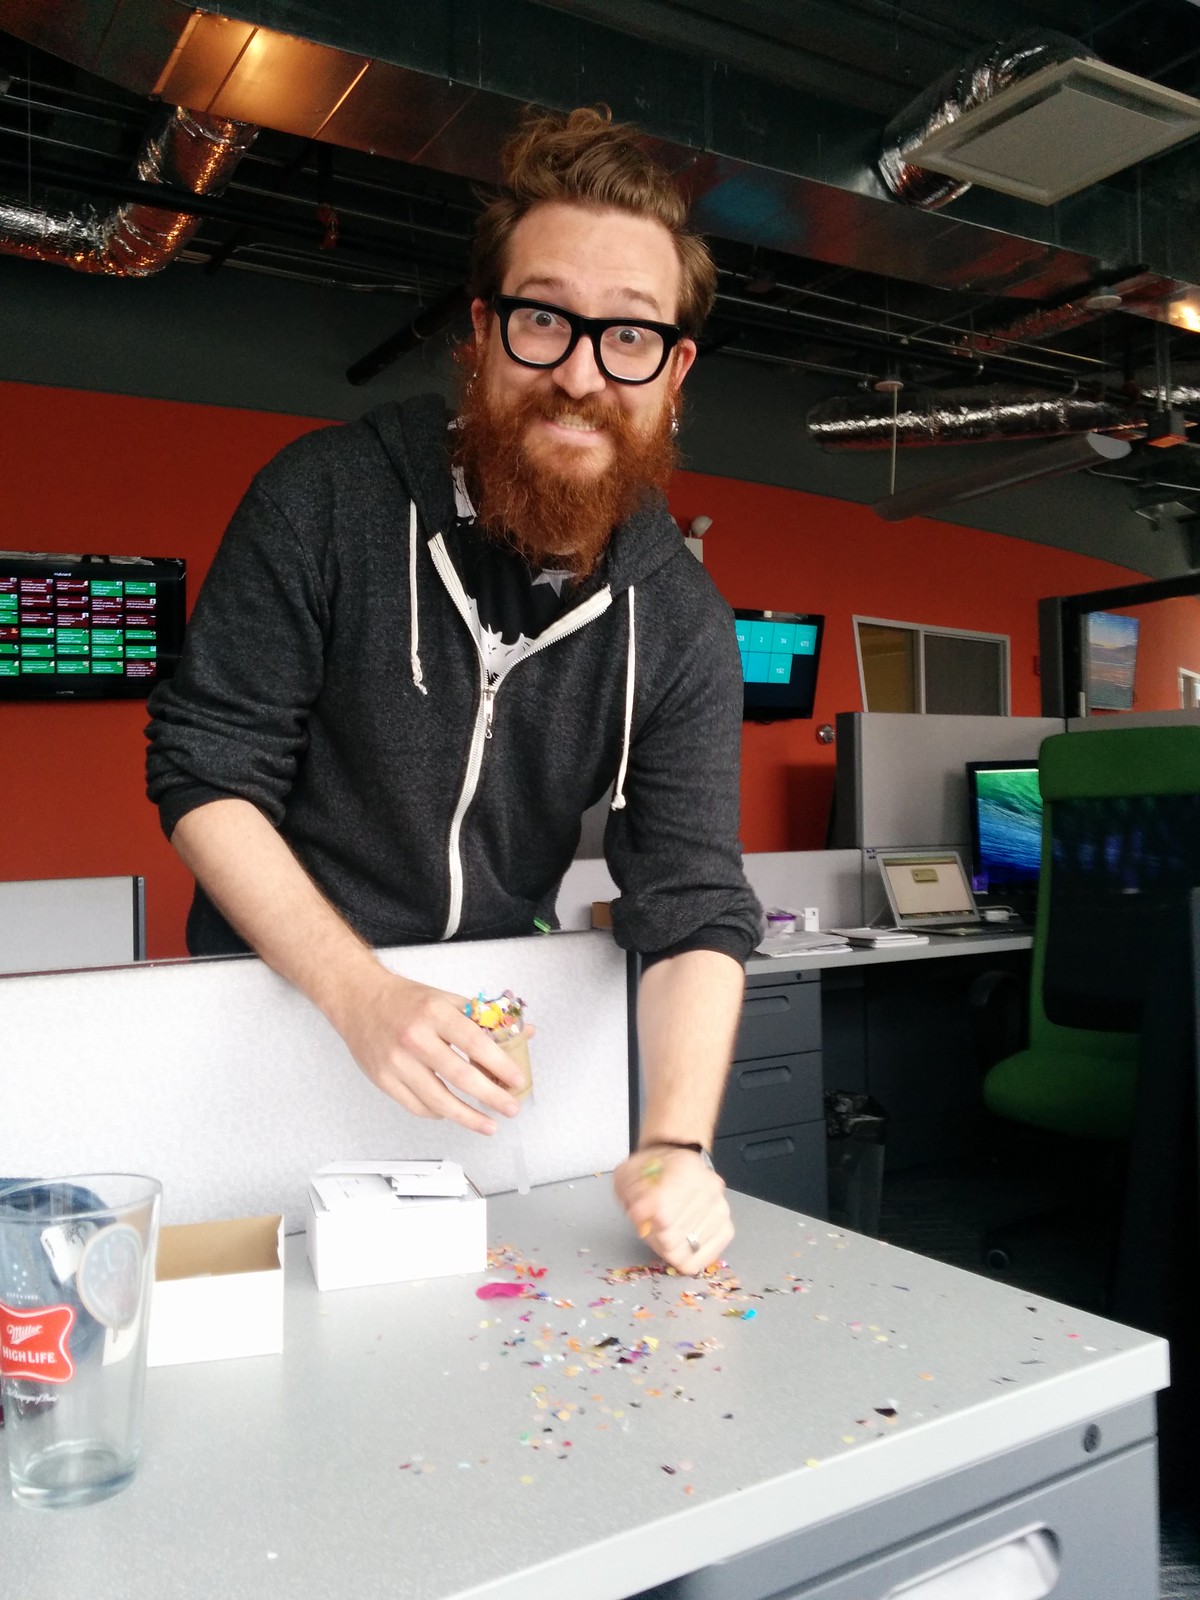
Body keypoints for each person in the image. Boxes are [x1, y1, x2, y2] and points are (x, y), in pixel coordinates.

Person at [145, 106, 762, 1272]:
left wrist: (677, 1141)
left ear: (674, 370)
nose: (581, 373)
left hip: (482, 1049)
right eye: (545, 319)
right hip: (270, 1015)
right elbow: (206, 770)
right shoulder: (322, 499)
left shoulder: (680, 619)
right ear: (482, 334)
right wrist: (361, 995)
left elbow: (693, 900)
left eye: (630, 335)